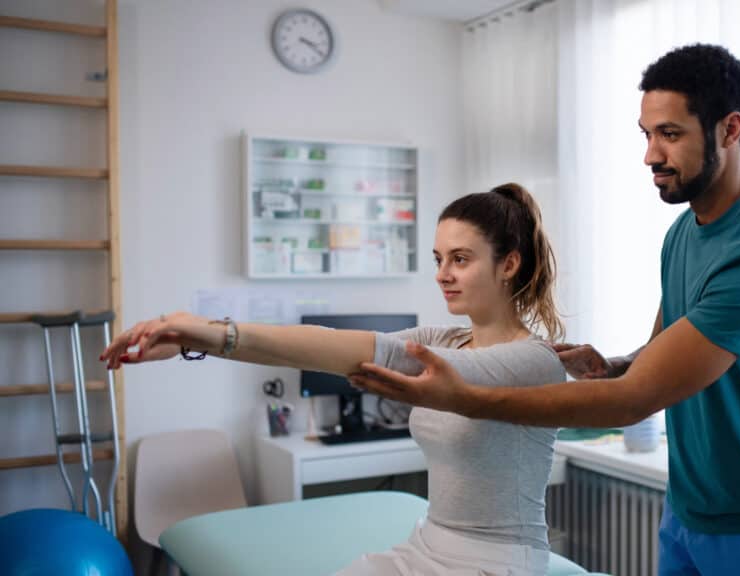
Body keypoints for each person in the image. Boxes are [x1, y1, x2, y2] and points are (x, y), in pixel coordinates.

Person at [351, 44, 740, 575]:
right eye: (647, 134)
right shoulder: (684, 233)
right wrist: (615, 365)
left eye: (670, 135)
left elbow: (633, 402)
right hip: (691, 510)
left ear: (730, 129)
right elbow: (662, 349)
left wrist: (463, 398)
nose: (651, 155)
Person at [100, 183, 567, 576]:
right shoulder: (445, 340)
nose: (442, 275)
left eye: (460, 259)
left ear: (508, 264)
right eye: (438, 259)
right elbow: (324, 342)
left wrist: (203, 330)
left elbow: (357, 354)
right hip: (427, 545)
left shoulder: (533, 362)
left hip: (497, 563)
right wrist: (191, 337)